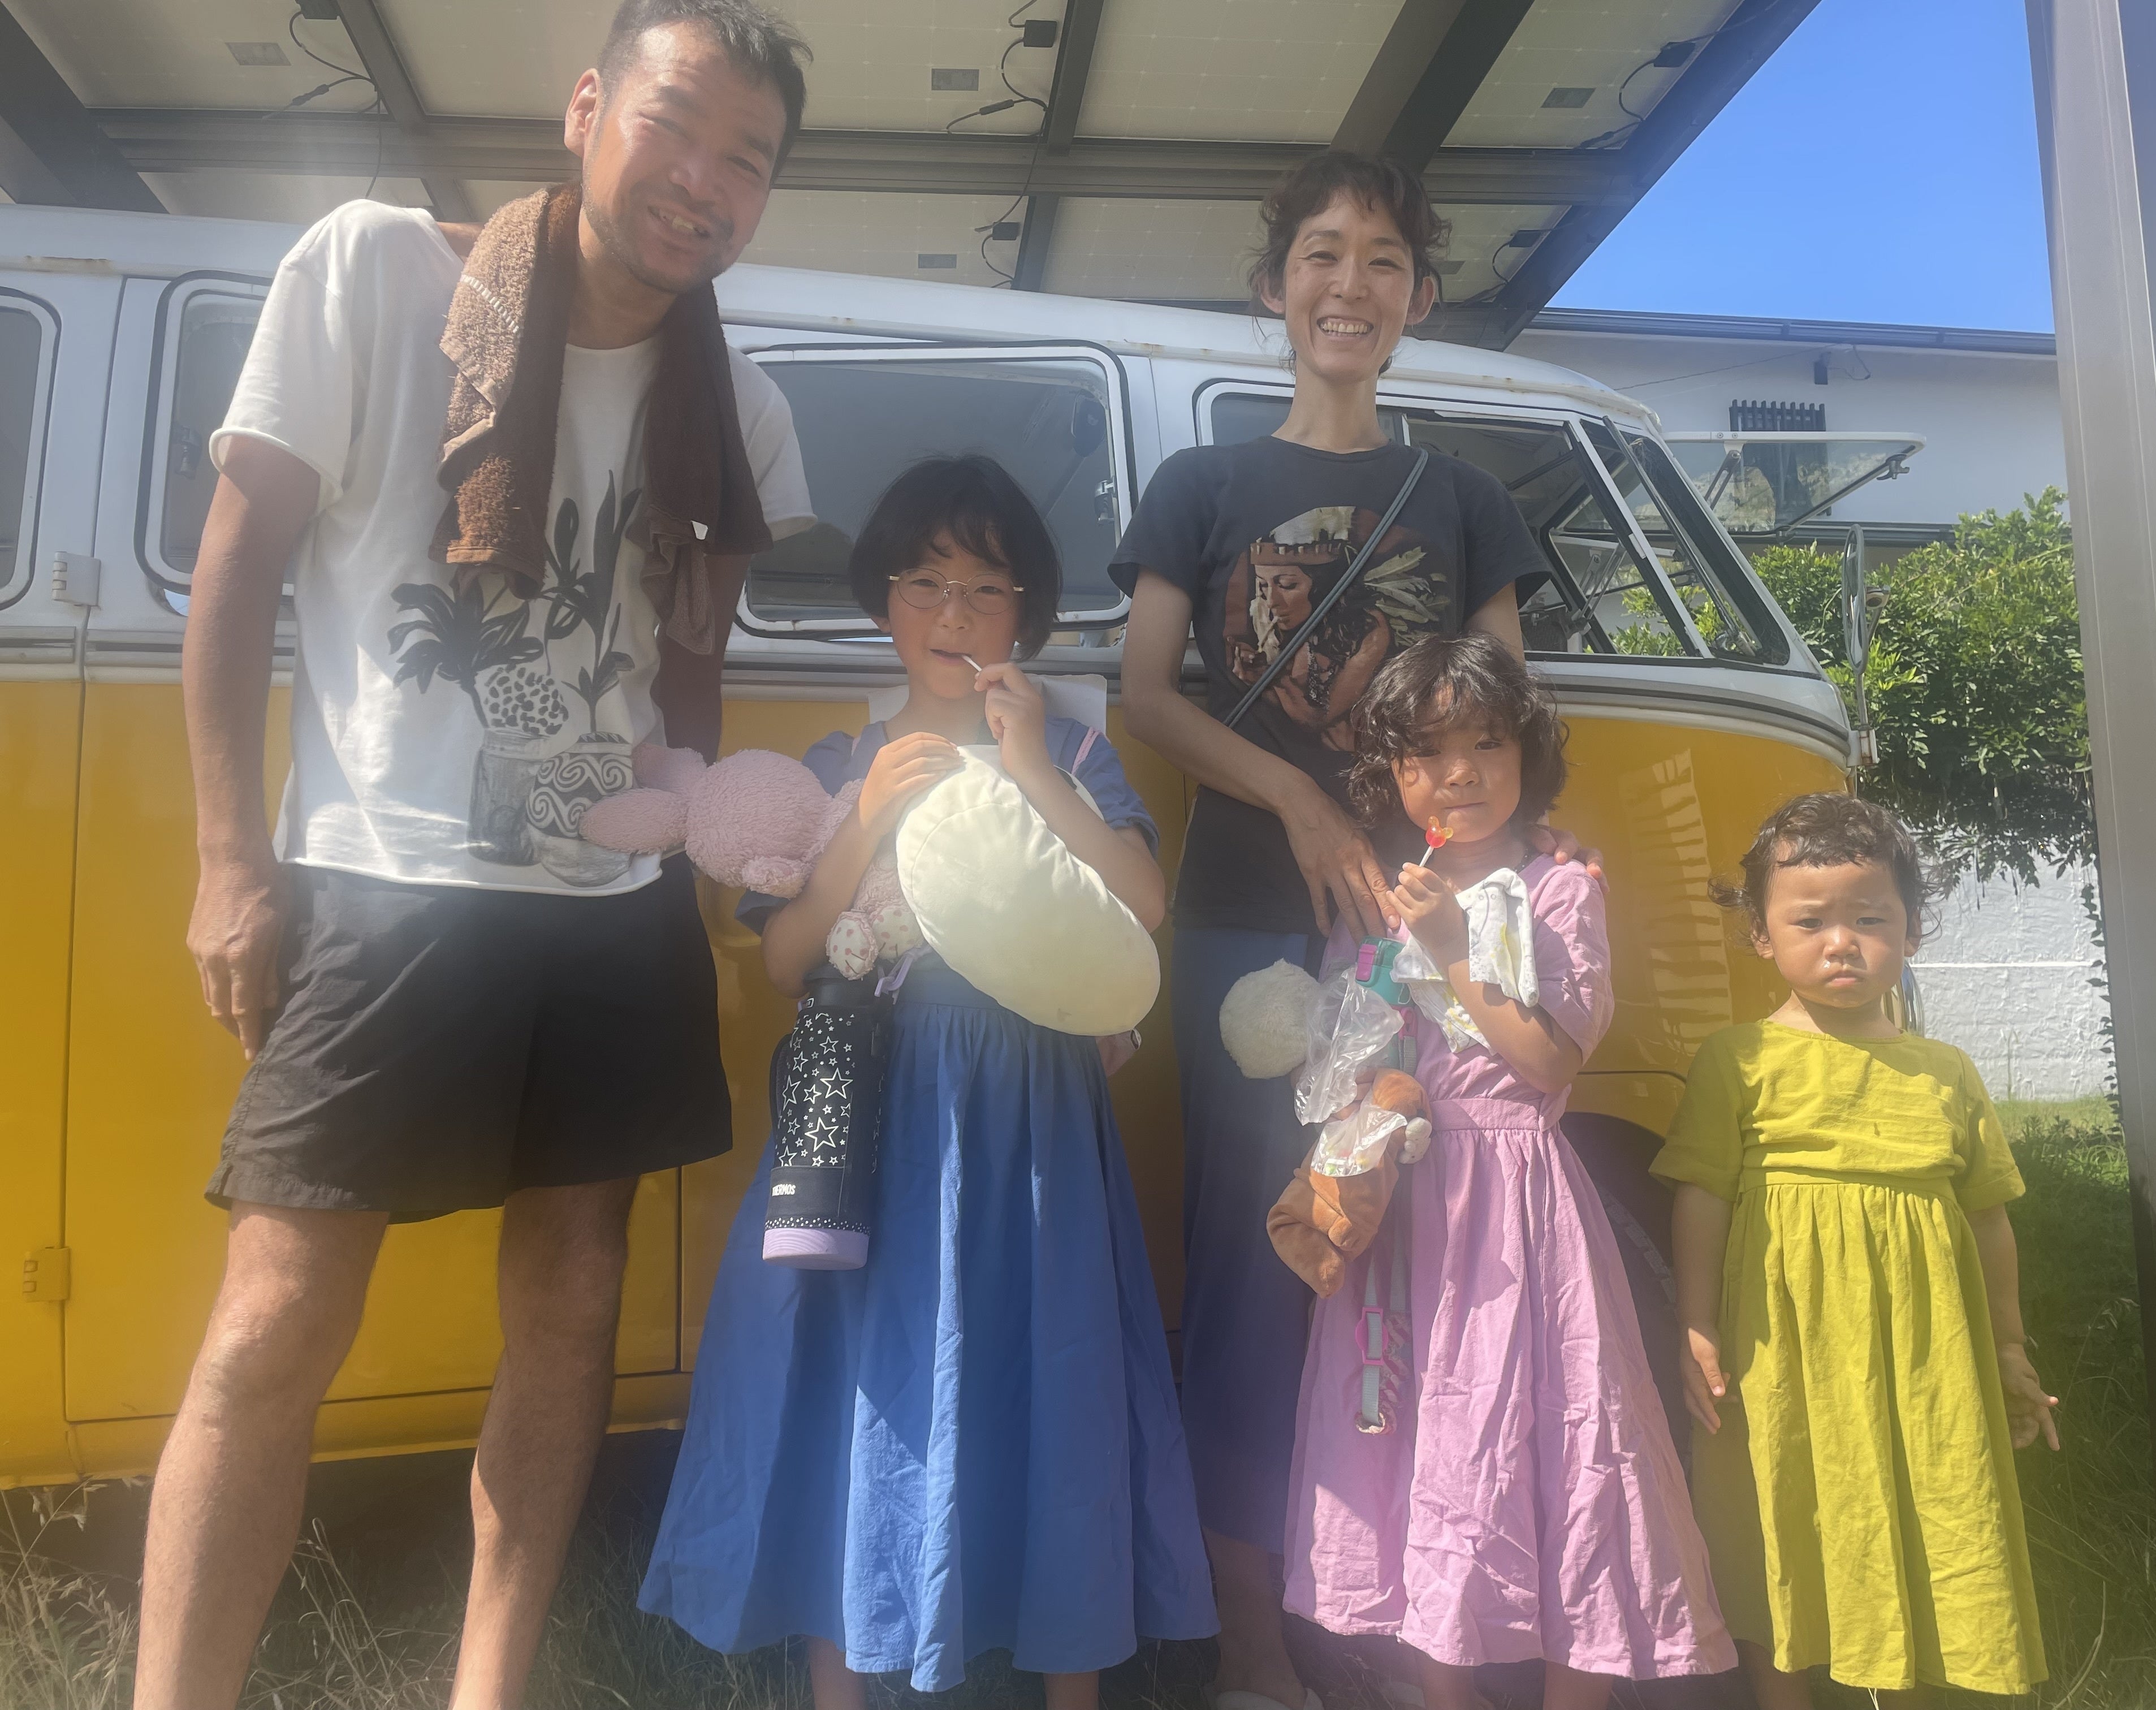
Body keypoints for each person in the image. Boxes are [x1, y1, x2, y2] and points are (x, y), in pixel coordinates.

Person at [149, 5, 815, 1706]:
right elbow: (236, 573)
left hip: (613, 905)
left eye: (748, 157)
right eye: (676, 123)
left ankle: (489, 1689)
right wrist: (231, 860)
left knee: (576, 1299)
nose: (705, 178)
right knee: (276, 1317)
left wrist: (701, 835)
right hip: (383, 886)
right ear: (588, 108)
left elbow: (686, 663)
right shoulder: (373, 276)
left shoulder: (740, 408)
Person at [1112, 149, 1585, 1710]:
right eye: (1322, 254)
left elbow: (1508, 718)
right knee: (1267, 1266)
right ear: (1275, 288)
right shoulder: (1199, 488)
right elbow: (1145, 697)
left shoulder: (1465, 500)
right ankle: (1255, 1654)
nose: (1350, 285)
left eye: (1383, 260)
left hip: (1425, 944)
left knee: (1417, 1277)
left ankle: (1398, 1620)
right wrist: (1304, 804)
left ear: (1419, 299)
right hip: (1248, 932)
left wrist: (1528, 878)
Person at [639, 456, 1216, 1709]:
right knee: (860, 1380)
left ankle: (1067, 1678)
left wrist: (1036, 768)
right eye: (924, 584)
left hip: (1032, 1117)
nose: (954, 614)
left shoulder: (1071, 750)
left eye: (986, 589)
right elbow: (787, 957)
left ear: (1027, 613)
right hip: (873, 1113)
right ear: (882, 603)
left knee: (1050, 1374)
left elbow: (1143, 901)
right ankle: (847, 1676)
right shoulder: (845, 755)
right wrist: (862, 821)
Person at [1282, 636, 1733, 1709]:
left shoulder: (1560, 889)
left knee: (1566, 1447)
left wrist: (1450, 945)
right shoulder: (1385, 898)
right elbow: (1348, 1058)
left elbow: (1546, 1061)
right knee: (1425, 1453)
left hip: (1517, 1210)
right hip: (1407, 1214)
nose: (1461, 774)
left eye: (1487, 743)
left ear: (1529, 754)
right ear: (1391, 774)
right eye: (1427, 753)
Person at [1653, 794, 2057, 1705]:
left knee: (1930, 1509)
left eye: (1871, 920)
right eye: (1810, 921)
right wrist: (1695, 1325)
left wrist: (2008, 1345)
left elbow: (1989, 1220)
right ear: (1761, 934)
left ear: (1911, 933)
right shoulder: (1737, 1060)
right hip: (1782, 1356)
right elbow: (1702, 1197)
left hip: (1924, 1361)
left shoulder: (1947, 1073)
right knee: (1778, 1514)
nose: (1842, 943)